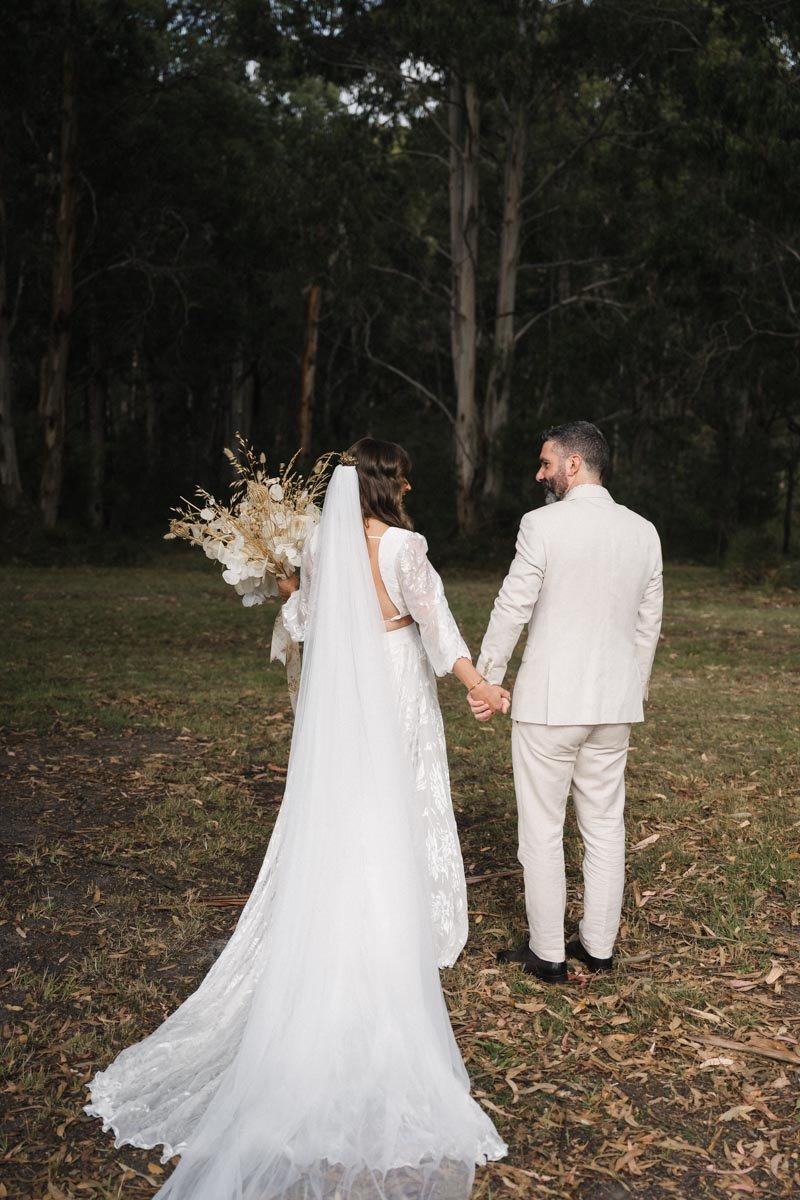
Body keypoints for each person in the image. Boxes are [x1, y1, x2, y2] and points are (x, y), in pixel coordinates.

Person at [85, 439, 509, 1200]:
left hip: (346, 693)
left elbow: (308, 619)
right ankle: (397, 924)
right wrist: (481, 688)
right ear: (390, 485)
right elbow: (438, 628)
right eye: (405, 475)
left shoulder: (320, 544)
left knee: (345, 805)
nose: (410, 485)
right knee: (401, 801)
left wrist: (283, 580)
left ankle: (340, 908)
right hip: (397, 687)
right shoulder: (407, 547)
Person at [469, 421, 663, 984]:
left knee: (542, 829)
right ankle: (598, 949)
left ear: (573, 464)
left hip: (550, 705)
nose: (540, 473)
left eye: (546, 462)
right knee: (605, 824)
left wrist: (487, 679)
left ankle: (549, 953)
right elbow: (648, 626)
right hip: (613, 705)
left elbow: (513, 607)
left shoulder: (541, 525)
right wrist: (633, 687)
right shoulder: (643, 532)